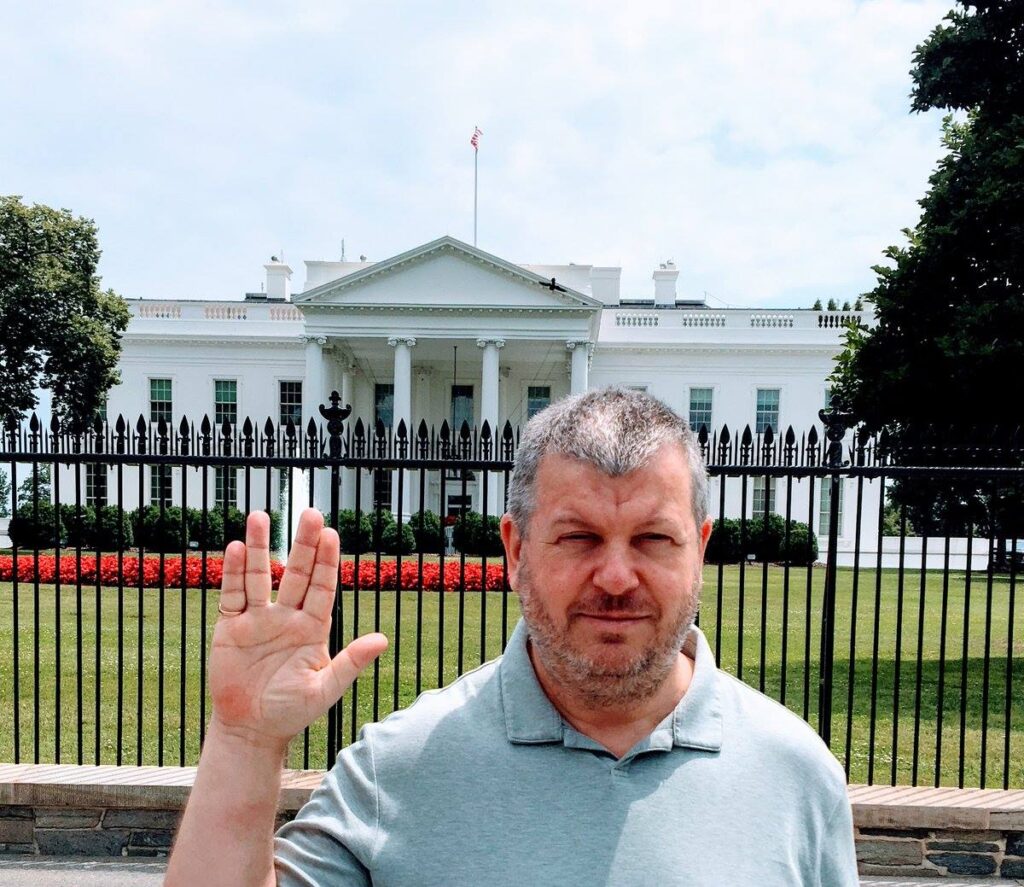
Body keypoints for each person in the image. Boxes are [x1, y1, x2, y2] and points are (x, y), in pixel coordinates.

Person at [166, 388, 858, 886]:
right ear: (515, 549)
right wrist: (245, 742)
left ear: (698, 549)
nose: (616, 576)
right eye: (579, 536)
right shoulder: (398, 768)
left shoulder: (796, 774)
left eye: (653, 538)